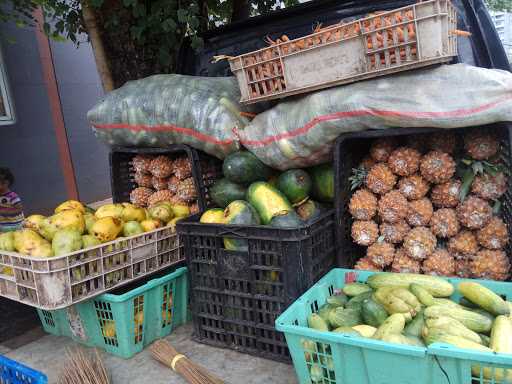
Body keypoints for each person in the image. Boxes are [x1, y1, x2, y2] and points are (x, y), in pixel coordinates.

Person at [0, 167, 24, 232]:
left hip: (15, 225)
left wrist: (6, 212)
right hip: (3, 225)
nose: (0, 186)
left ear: (7, 183)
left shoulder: (12, 196)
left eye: (2, 183)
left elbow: (19, 209)